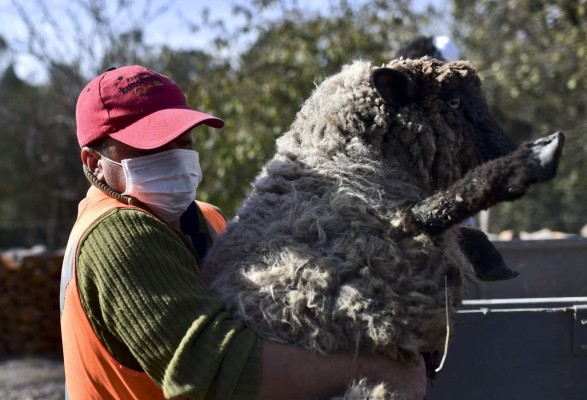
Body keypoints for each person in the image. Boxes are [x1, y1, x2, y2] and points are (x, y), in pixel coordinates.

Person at [59, 65, 427, 399]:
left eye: (183, 142)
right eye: (152, 146)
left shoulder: (207, 218)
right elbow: (216, 372)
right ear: (94, 162)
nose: (175, 156)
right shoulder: (116, 235)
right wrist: (376, 370)